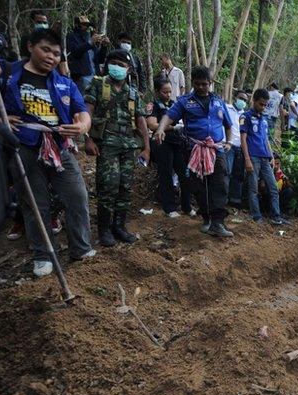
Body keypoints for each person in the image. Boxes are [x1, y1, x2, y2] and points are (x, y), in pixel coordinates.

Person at [0, 29, 95, 276]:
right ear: (30, 47)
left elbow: (83, 113)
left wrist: (81, 126)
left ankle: (81, 248)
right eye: (45, 50)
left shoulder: (64, 82)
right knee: (35, 202)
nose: (51, 57)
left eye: (56, 53)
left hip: (59, 146)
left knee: (77, 195)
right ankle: (43, 254)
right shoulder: (6, 74)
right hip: (24, 145)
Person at [154, 66, 234, 237]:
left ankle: (218, 222)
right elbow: (169, 116)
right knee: (198, 185)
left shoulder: (219, 102)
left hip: (216, 149)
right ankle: (206, 217)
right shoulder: (185, 101)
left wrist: (228, 142)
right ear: (193, 83)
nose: (201, 87)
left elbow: (228, 125)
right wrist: (160, 129)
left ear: (210, 84)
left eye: (204, 84)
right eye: (197, 84)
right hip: (193, 148)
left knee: (220, 183)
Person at [84, 49, 150, 247]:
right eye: (113, 63)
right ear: (106, 65)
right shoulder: (97, 84)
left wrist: (147, 148)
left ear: (129, 69)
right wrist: (87, 139)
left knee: (125, 186)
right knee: (108, 186)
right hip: (107, 143)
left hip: (128, 144)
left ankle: (119, 226)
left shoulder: (132, 93)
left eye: (122, 65)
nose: (117, 67)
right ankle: (104, 229)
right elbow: (87, 112)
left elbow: (141, 120)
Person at [146, 77, 194, 218]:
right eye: (164, 92)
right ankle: (169, 208)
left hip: (177, 143)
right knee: (166, 175)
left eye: (169, 92)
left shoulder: (174, 104)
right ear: (157, 91)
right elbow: (152, 124)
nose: (167, 95)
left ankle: (186, 206)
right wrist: (172, 127)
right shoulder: (153, 104)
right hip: (162, 143)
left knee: (185, 174)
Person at [240, 89, 289, 225]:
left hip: (265, 158)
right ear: (254, 101)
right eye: (261, 104)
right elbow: (243, 139)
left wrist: (271, 156)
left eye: (265, 105)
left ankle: (276, 217)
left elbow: (266, 139)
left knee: (273, 187)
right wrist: (247, 159)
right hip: (253, 157)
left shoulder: (265, 119)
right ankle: (256, 217)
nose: (263, 107)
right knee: (253, 189)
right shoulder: (246, 117)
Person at [67, 16, 107, 93]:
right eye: (84, 24)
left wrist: (104, 47)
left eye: (88, 25)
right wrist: (90, 43)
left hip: (95, 76)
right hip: (81, 77)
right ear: (77, 25)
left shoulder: (89, 38)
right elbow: (75, 53)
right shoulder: (71, 36)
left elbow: (100, 60)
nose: (87, 27)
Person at [225, 90, 249, 208]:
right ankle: (223, 198)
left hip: (240, 147)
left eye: (245, 100)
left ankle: (235, 200)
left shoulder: (245, 115)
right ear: (235, 98)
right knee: (227, 172)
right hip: (229, 145)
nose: (242, 101)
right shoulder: (227, 108)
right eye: (241, 98)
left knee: (238, 174)